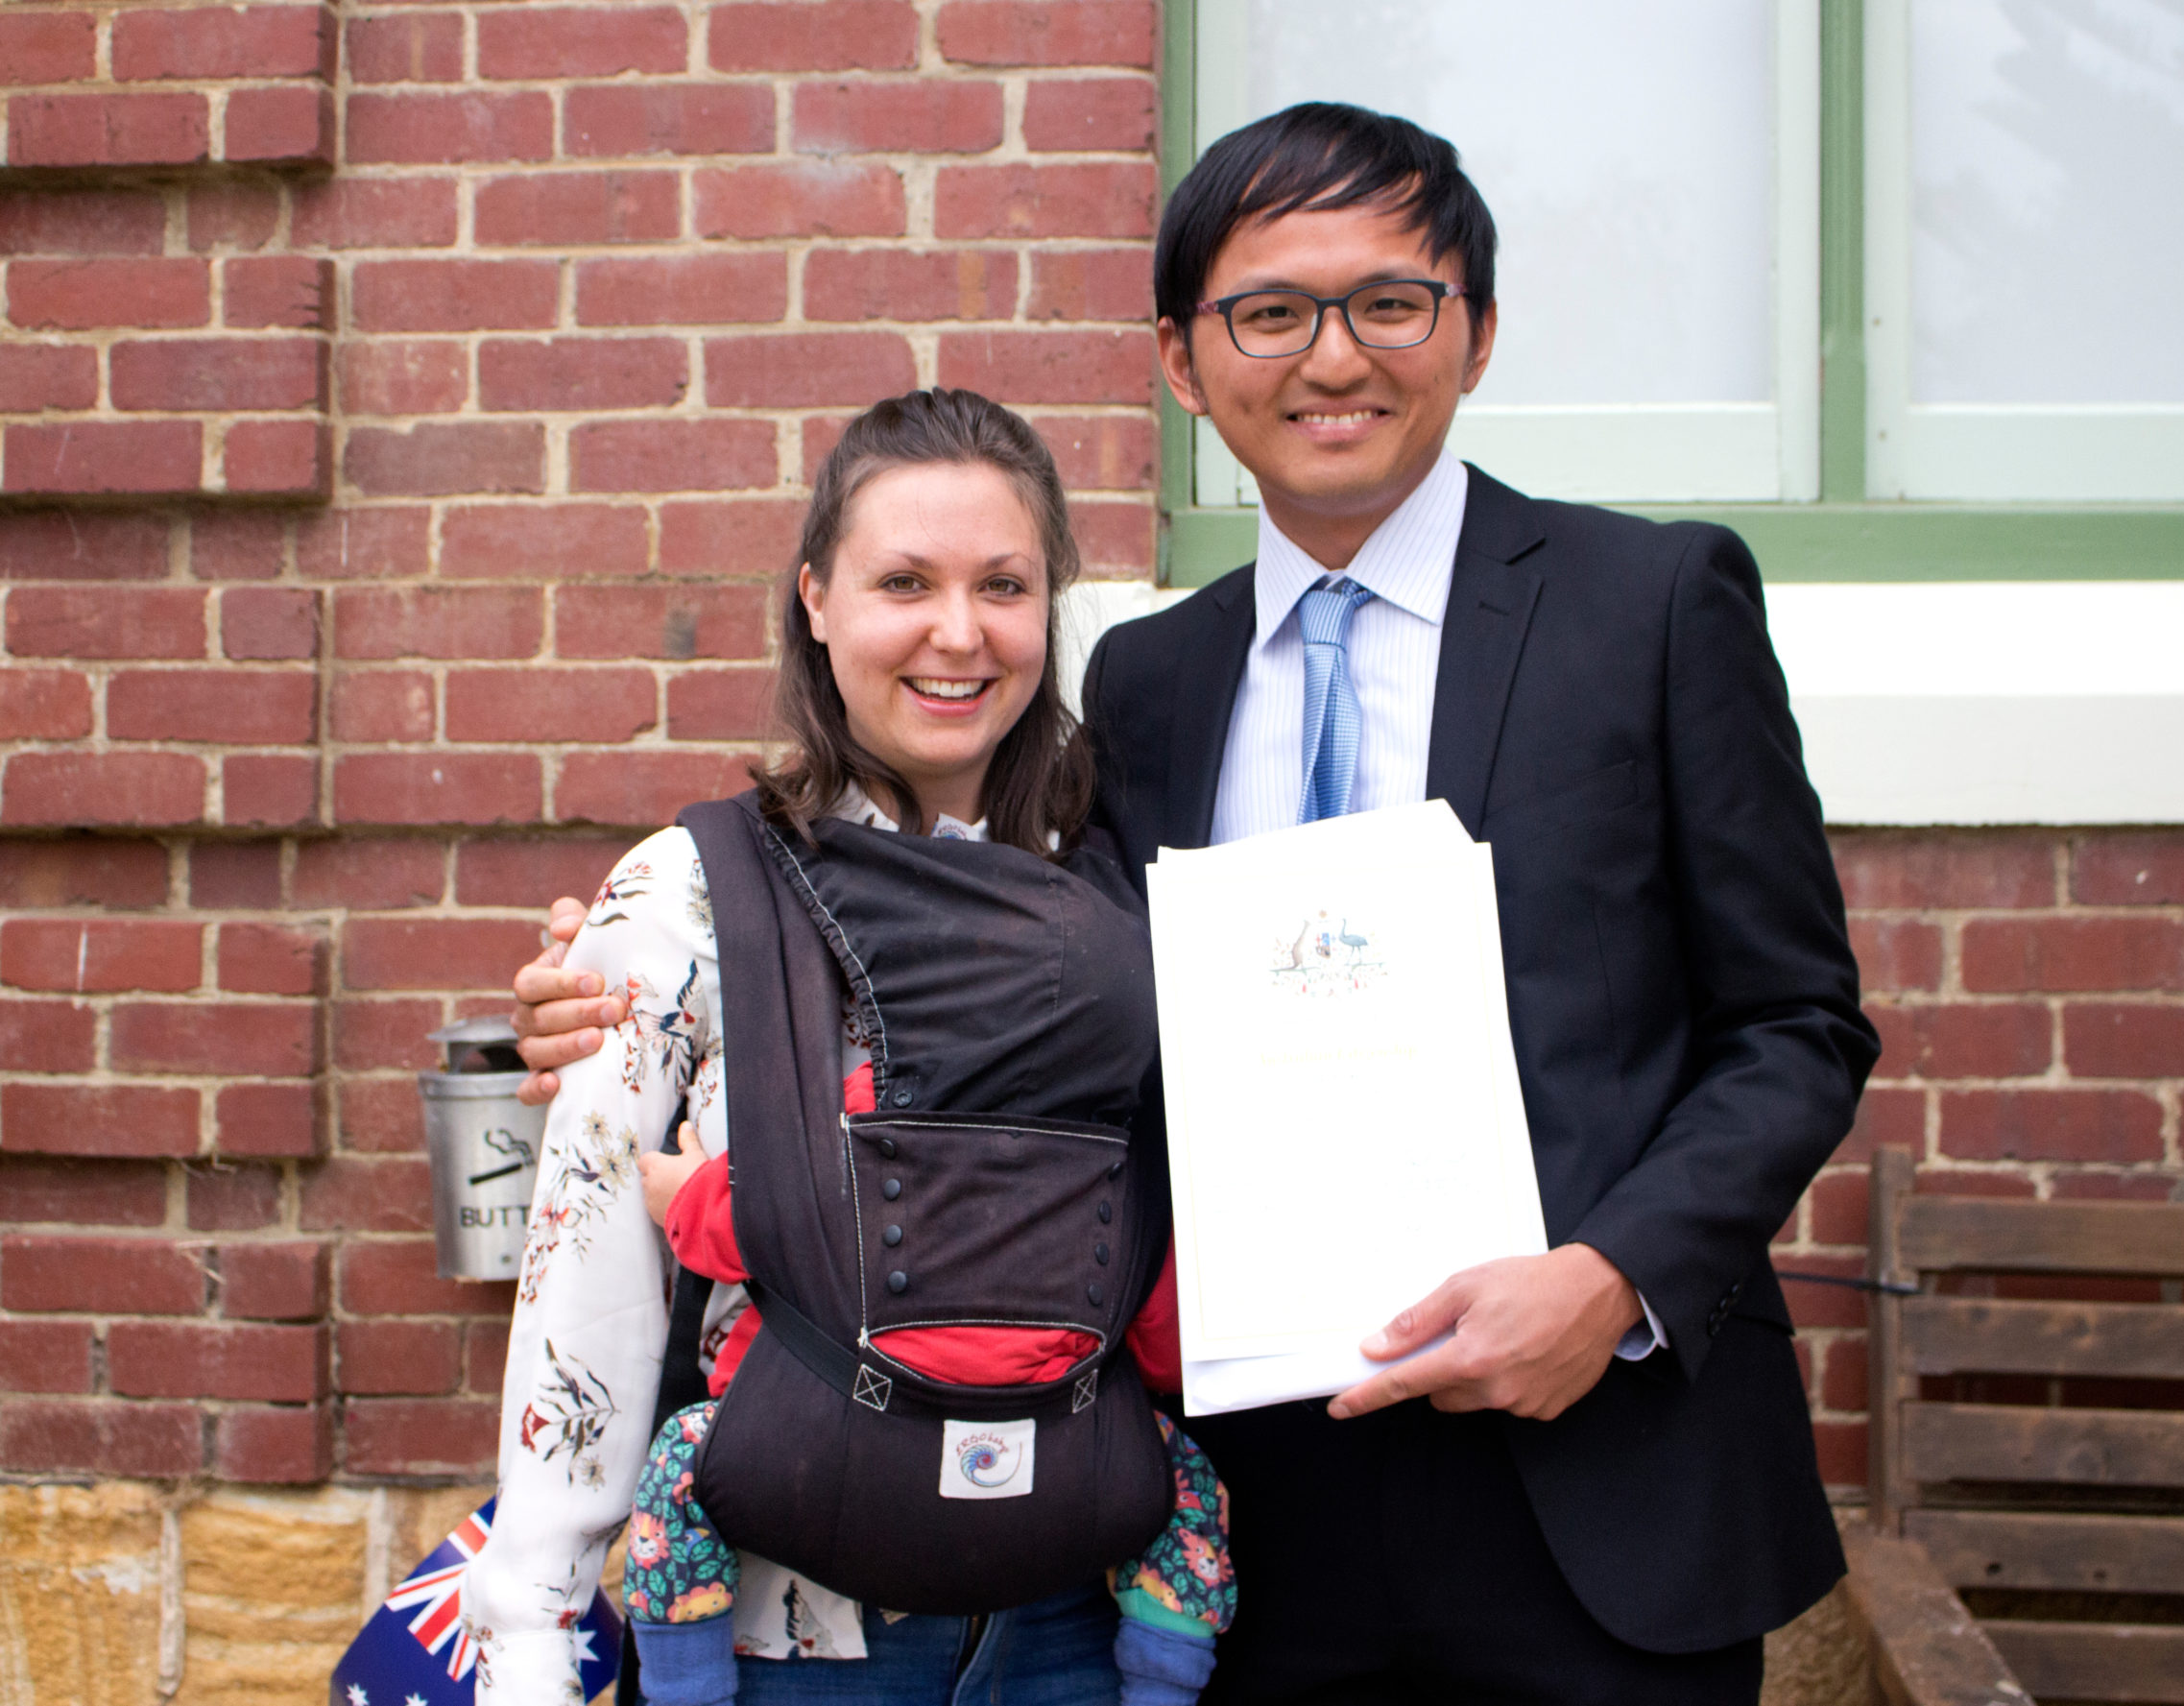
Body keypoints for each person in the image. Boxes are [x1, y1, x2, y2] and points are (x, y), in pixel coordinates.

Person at [518, 105, 1879, 1704]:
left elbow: (1796, 1023)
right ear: (1184, 360)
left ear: (1478, 329)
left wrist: (1614, 1282)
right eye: (1269, 311)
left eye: (1389, 301)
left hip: (1594, 1482)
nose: (1332, 357)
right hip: (1247, 1527)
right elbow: (1019, 1006)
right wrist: (630, 999)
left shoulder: (1649, 607)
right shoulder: (1151, 684)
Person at [466, 389, 1232, 1706]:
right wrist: (533, 1621)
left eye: (1005, 583)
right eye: (903, 581)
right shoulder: (693, 891)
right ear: (815, 597)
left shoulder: (1128, 880)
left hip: (1078, 1622)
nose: (959, 630)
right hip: (783, 1634)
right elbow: (586, 1246)